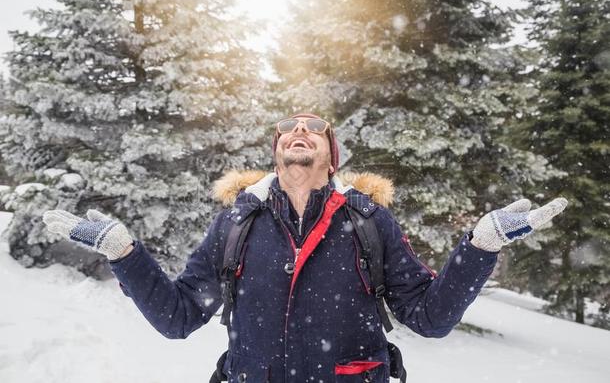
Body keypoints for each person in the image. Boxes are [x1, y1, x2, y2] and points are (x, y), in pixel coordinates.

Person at [42, 113, 568, 383]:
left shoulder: (368, 220)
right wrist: (124, 253)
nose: (300, 130)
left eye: (314, 128)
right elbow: (179, 318)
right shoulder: (236, 223)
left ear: (329, 157)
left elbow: (428, 317)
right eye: (288, 129)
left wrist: (480, 245)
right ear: (276, 153)